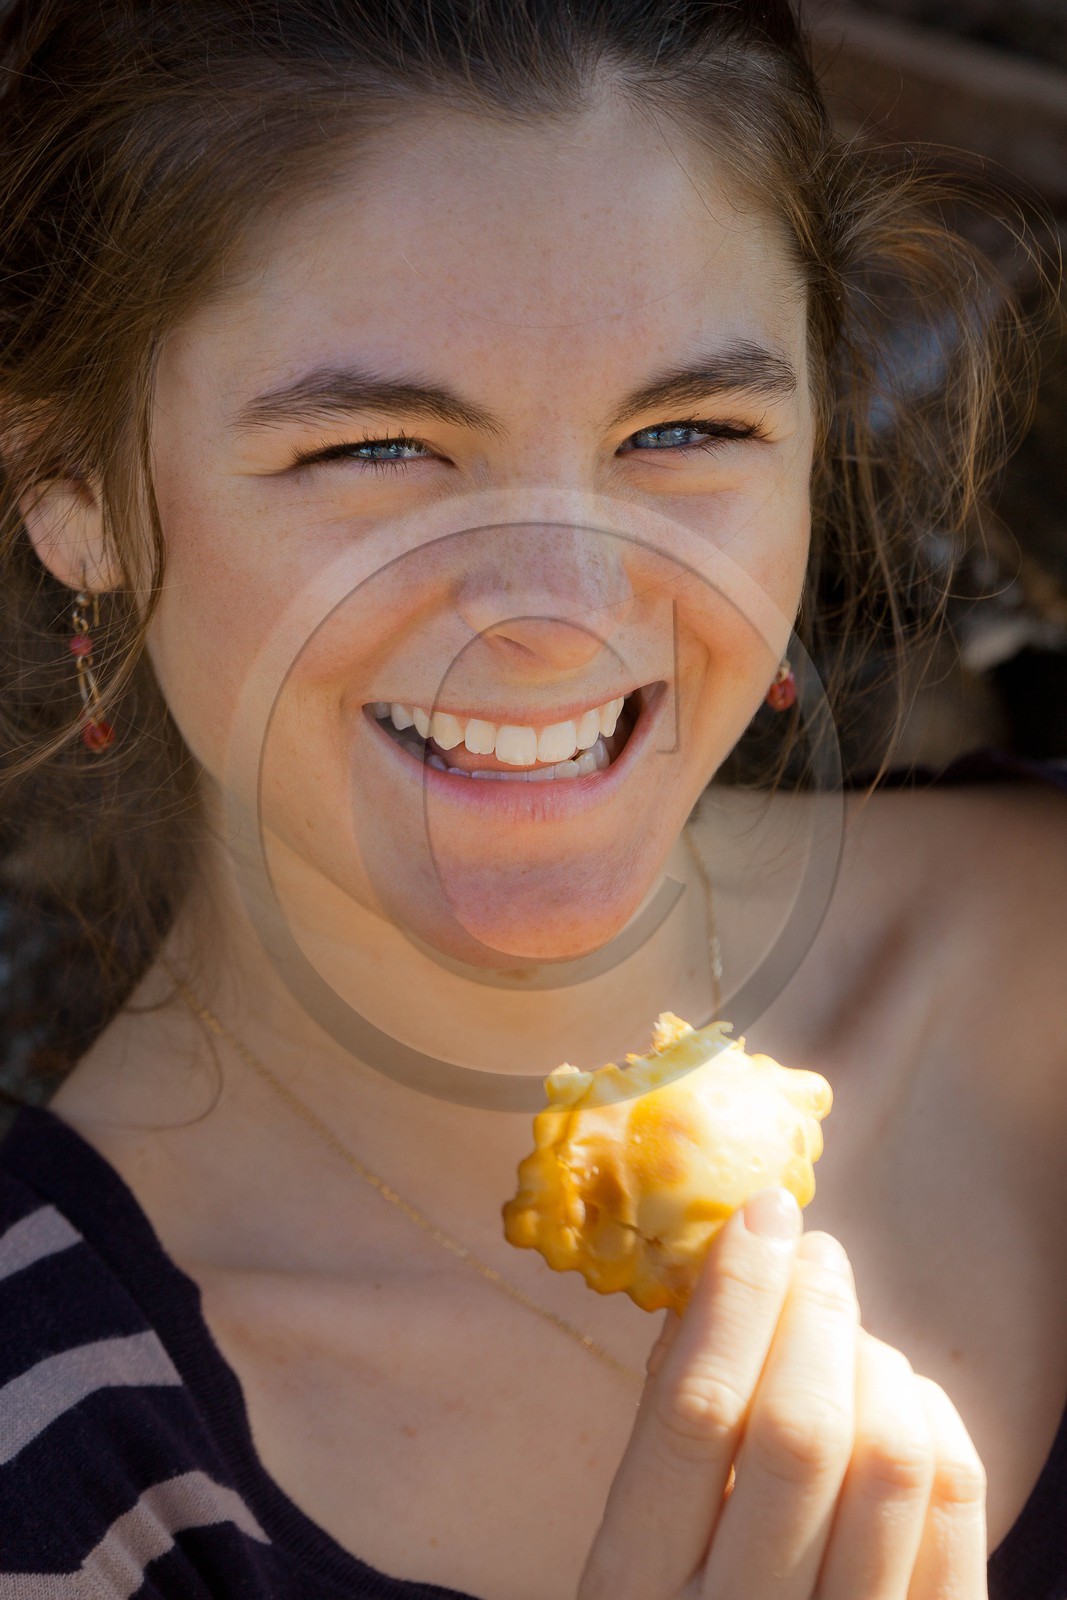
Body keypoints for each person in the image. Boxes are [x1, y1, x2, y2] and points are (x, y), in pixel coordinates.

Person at [0, 1, 1062, 1596]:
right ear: (71, 491)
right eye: (375, 448)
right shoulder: (55, 1459)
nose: (559, 608)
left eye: (689, 430)